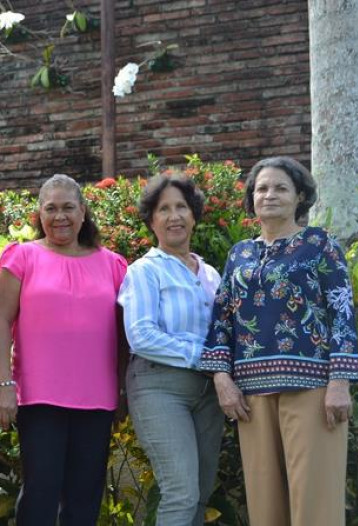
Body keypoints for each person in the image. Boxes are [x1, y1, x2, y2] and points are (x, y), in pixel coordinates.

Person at [200, 156, 358, 526]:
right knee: (263, 501)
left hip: (312, 388)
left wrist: (340, 382)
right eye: (262, 188)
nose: (269, 195)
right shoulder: (239, 253)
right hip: (251, 394)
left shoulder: (320, 244)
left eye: (280, 188)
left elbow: (342, 312)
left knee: (315, 500)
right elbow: (222, 318)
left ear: (299, 196)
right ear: (252, 198)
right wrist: (222, 379)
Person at [0, 174, 127, 526]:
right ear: (39, 214)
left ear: (83, 212)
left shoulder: (113, 264)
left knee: (85, 498)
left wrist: (124, 391)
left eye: (68, 207)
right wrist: (5, 385)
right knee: (40, 494)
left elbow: (125, 336)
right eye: (50, 208)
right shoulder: (21, 257)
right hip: (39, 398)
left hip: (97, 400)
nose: (60, 216)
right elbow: (0, 320)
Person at [117, 174, 224, 525]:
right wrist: (205, 357)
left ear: (194, 216)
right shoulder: (144, 271)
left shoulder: (210, 274)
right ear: (152, 221)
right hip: (159, 387)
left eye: (182, 207)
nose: (174, 216)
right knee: (180, 492)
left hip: (210, 391)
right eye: (164, 209)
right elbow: (142, 336)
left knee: (200, 492)